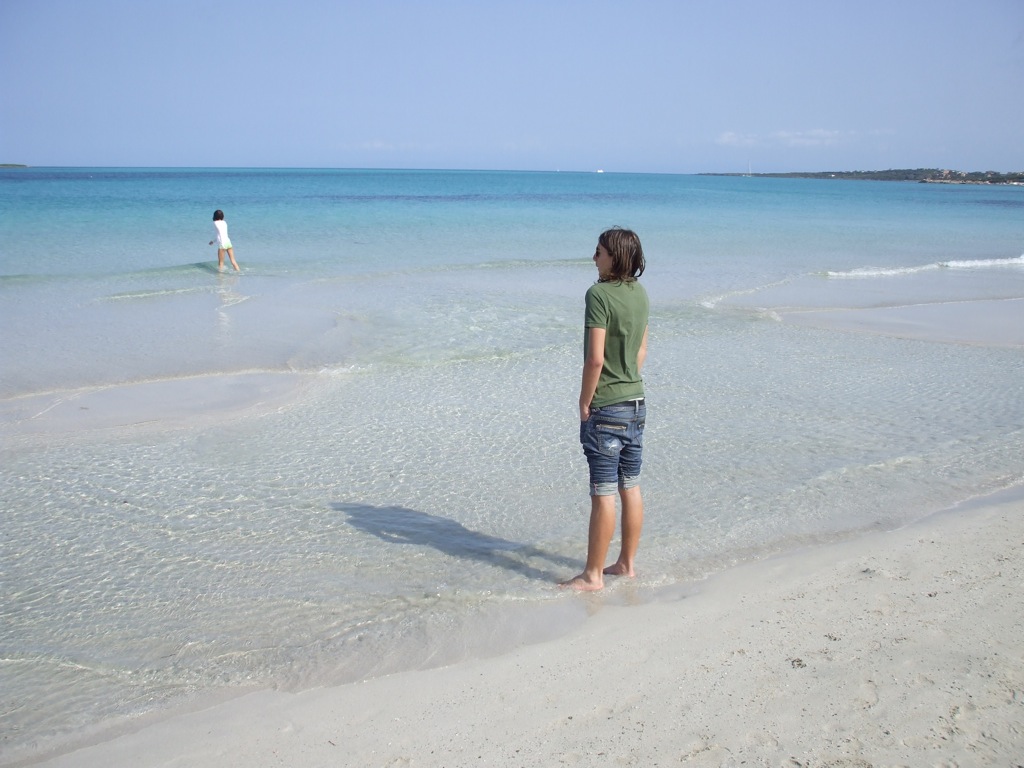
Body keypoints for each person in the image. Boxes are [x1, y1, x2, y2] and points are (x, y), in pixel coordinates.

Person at [561, 227, 649, 591]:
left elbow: (595, 359)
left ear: (614, 256)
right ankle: (626, 564)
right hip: (637, 402)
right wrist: (627, 378)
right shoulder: (640, 294)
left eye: (598, 252)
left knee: (603, 491)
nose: (593, 258)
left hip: (607, 407)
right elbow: (642, 352)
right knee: (631, 485)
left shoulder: (597, 294)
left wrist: (585, 400)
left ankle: (593, 575)